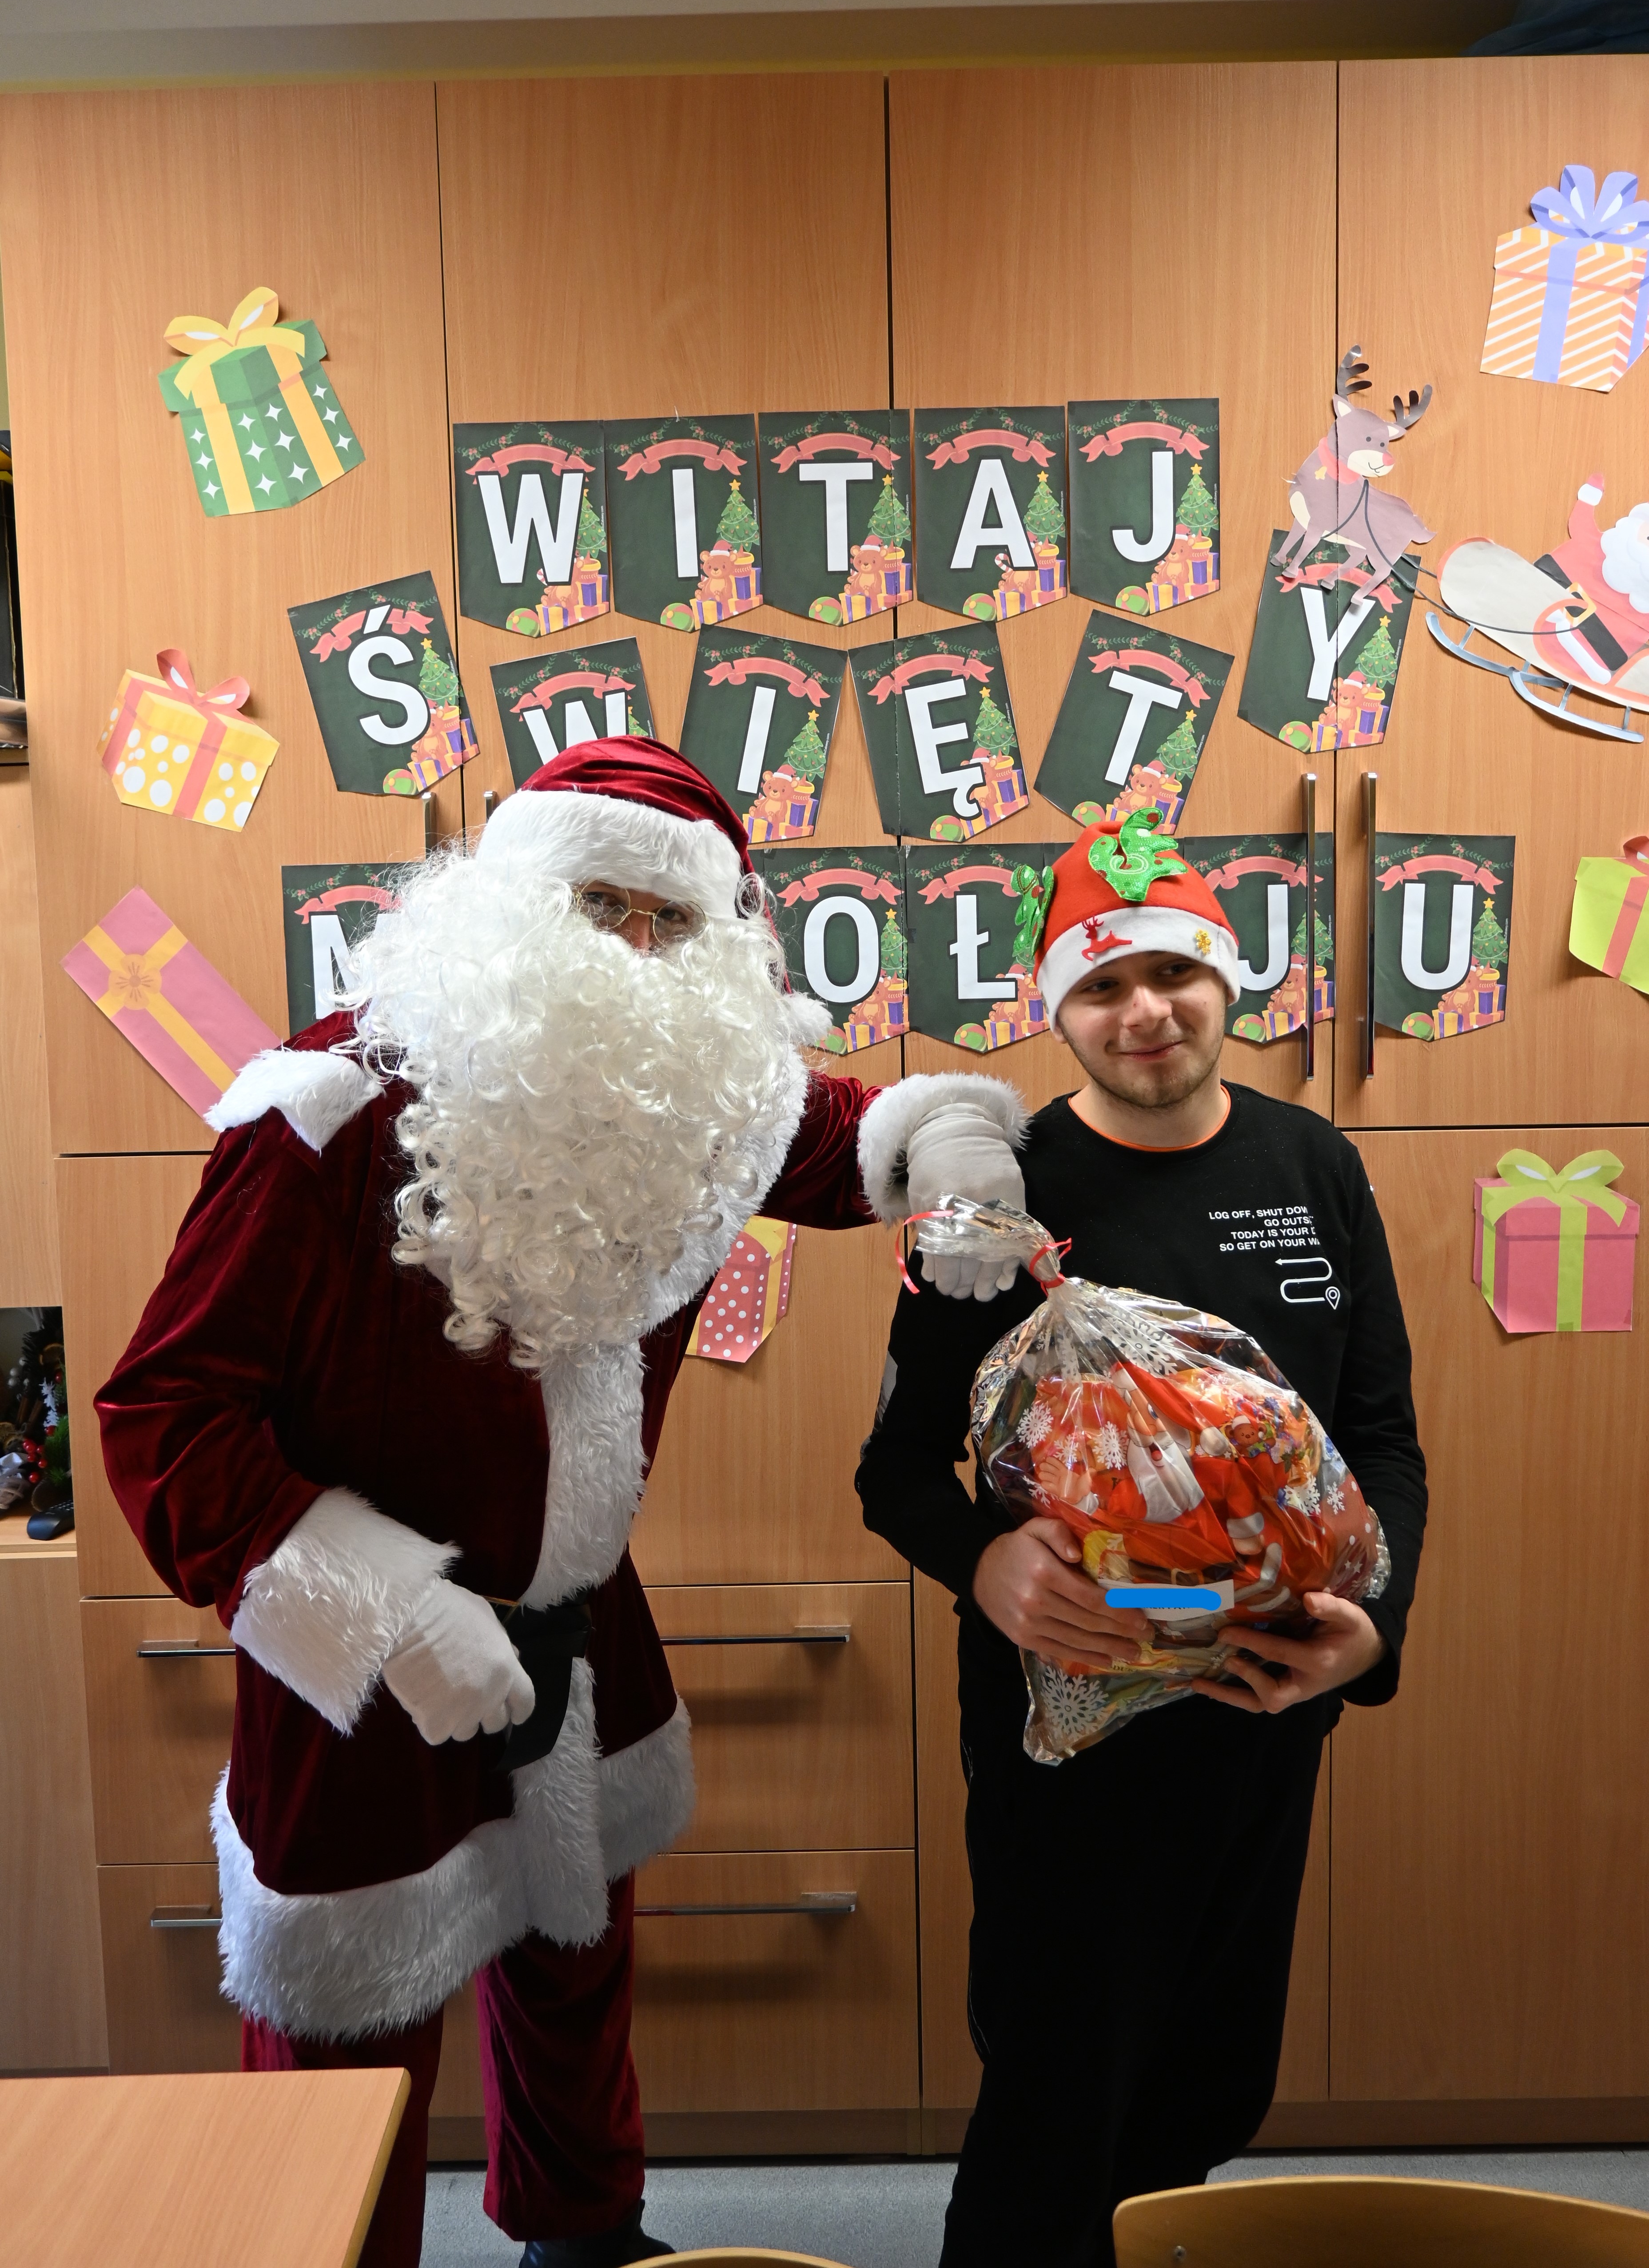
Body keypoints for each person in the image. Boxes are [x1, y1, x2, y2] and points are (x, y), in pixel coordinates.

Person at [96, 739, 1028, 2268]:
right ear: (514, 907)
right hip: (366, 1668)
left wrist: (964, 1152)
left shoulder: (695, 1092)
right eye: (604, 907)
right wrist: (396, 1617)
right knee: (343, 2042)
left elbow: (866, 1129)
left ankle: (585, 2236)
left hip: (581, 1626)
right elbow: (166, 1420)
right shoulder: (325, 1111)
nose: (637, 952)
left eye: (674, 923)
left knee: (573, 1968)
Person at [857, 818, 1427, 2268]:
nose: (1145, 1013)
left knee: (1210, 2081)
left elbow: (1381, 1440)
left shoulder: (1313, 1163)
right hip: (1070, 1728)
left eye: (1173, 974)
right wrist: (986, 1564)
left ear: (1228, 981)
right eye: (1104, 986)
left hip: (1262, 1704)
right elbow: (894, 1469)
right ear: (1059, 1010)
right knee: (1055, 2094)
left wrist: (1373, 1634)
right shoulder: (1000, 1195)